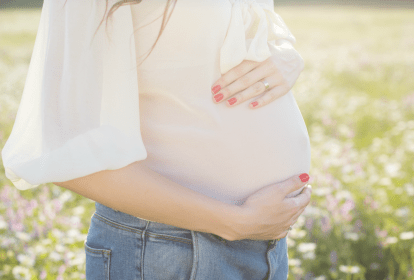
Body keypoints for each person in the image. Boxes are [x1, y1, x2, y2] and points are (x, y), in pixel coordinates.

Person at [1, 0, 313, 279]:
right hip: (169, 250)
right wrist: (232, 221)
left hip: (262, 246)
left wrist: (285, 51)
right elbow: (63, 150)